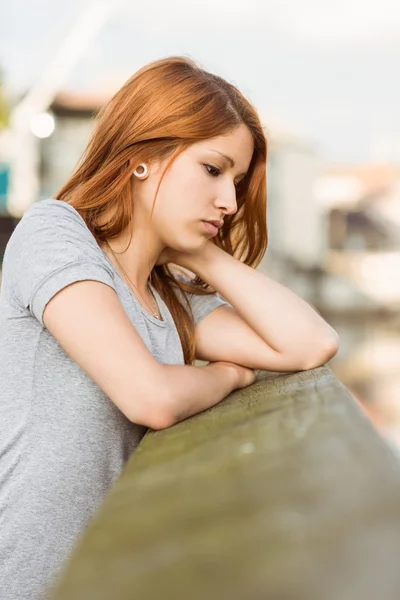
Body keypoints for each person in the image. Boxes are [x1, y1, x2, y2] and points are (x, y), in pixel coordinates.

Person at [0, 56, 339, 599]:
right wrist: (227, 377)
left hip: (106, 578)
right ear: (143, 158)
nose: (229, 201)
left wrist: (204, 254)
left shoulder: (173, 297)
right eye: (213, 170)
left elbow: (312, 344)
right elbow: (150, 397)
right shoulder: (52, 233)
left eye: (237, 181)